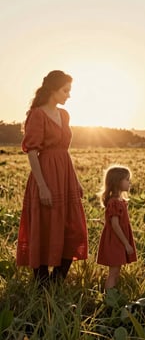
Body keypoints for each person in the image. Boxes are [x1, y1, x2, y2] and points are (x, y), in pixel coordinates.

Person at [17, 70, 88, 286]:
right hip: (46, 174)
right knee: (45, 225)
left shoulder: (64, 115)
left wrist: (74, 181)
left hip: (64, 174)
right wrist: (42, 187)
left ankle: (57, 280)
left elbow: (64, 151)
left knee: (73, 226)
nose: (68, 95)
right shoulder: (37, 115)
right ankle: (41, 283)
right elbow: (31, 152)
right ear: (53, 90)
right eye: (65, 90)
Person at [97, 165, 137, 290]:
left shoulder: (120, 201)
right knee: (113, 273)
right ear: (117, 182)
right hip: (116, 241)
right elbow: (115, 225)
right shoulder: (114, 202)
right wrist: (126, 244)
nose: (129, 182)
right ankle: (109, 298)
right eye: (127, 179)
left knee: (116, 271)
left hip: (118, 240)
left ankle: (112, 295)